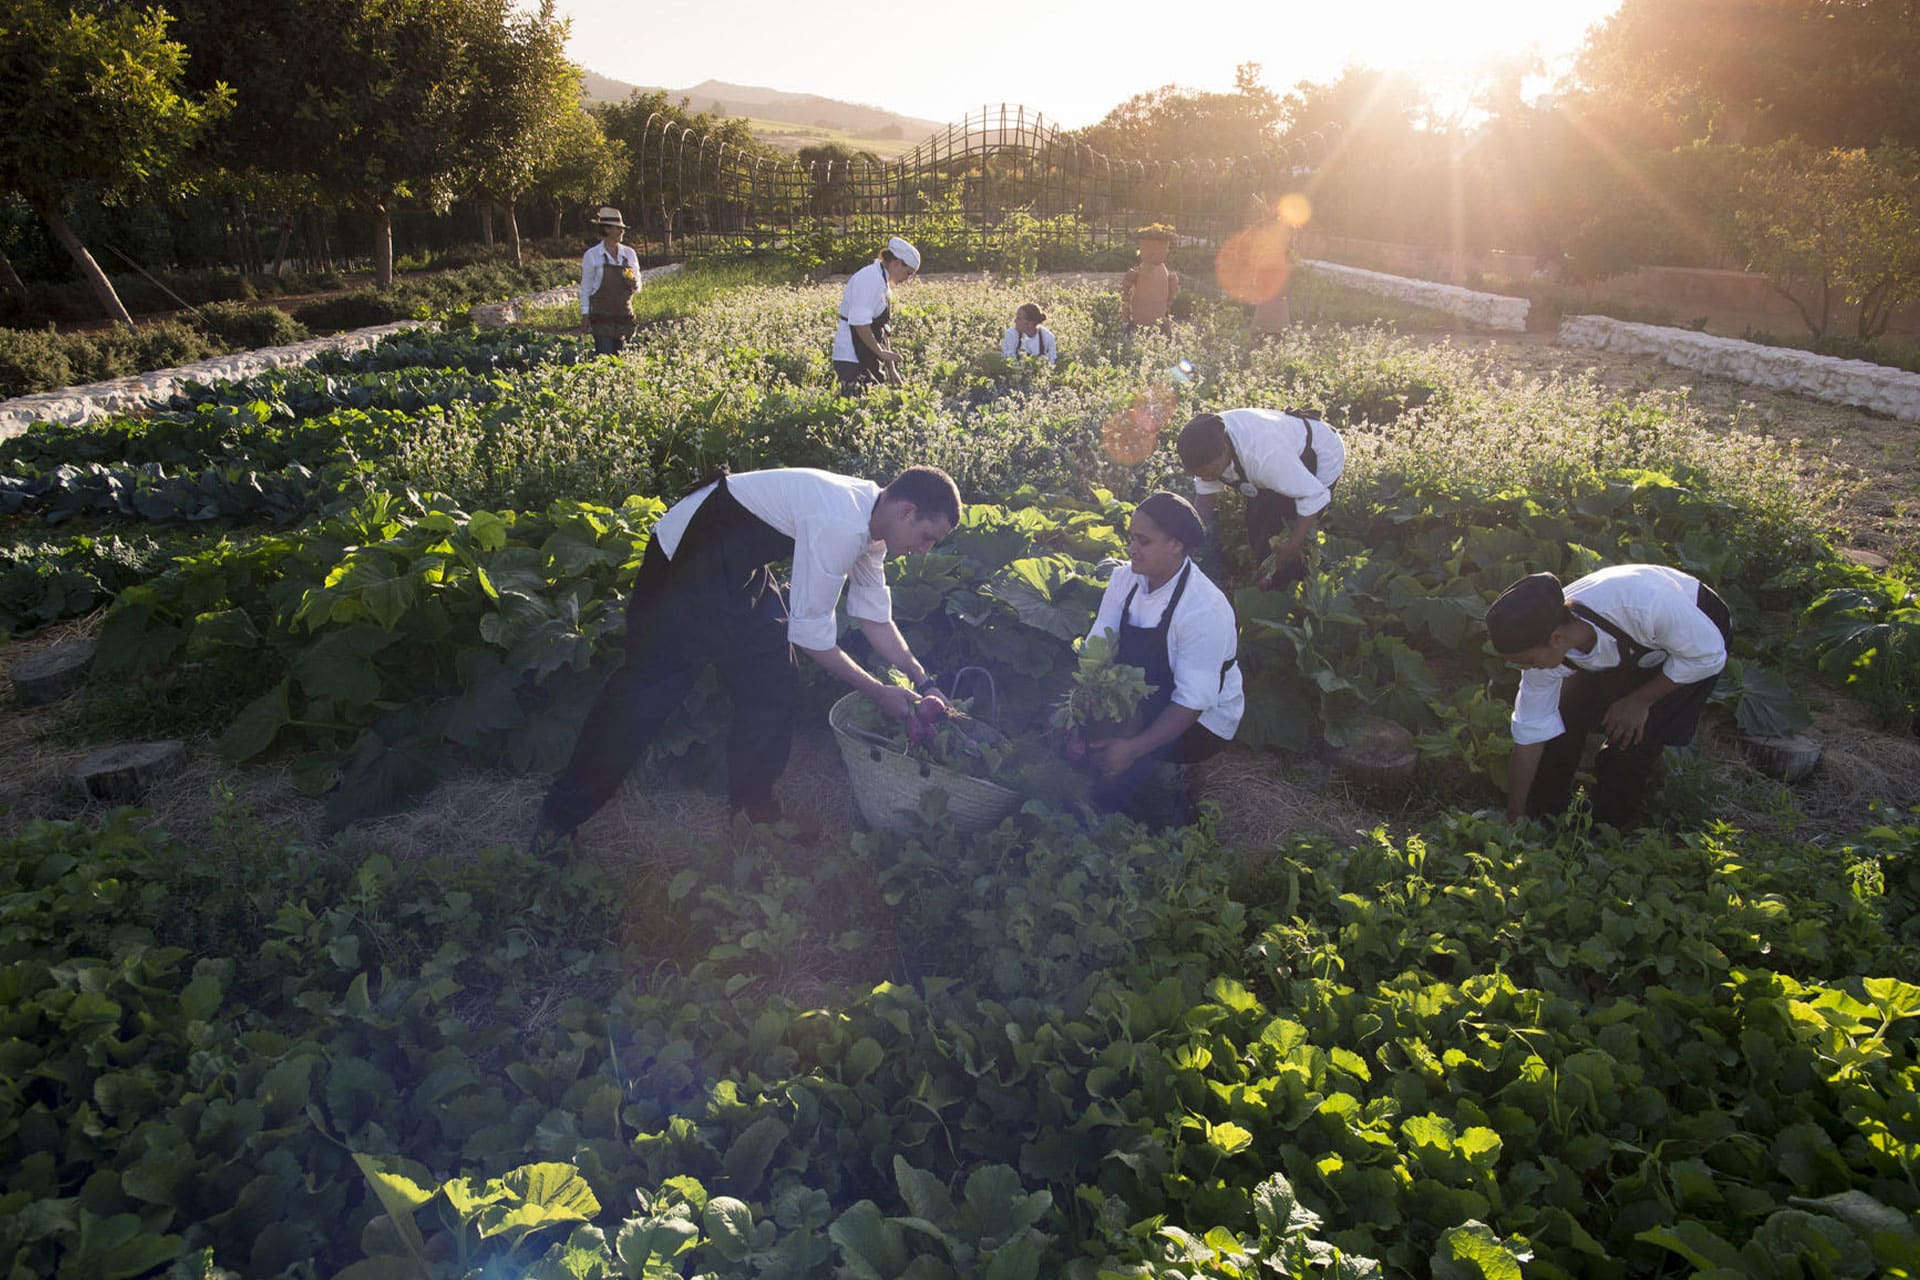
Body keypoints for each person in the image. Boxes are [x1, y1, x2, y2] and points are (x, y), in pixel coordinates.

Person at [534, 464, 962, 851]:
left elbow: (874, 618)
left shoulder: (872, 524)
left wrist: (922, 682)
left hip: (738, 566)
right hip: (685, 557)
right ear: (907, 511)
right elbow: (812, 636)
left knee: (773, 681)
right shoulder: (840, 522)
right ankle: (557, 822)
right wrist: (876, 690)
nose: (925, 550)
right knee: (646, 693)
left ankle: (754, 814)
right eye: (928, 537)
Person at [1485, 564, 1731, 830]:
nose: (1526, 669)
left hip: (1697, 634)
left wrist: (1640, 701)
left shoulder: (1644, 606)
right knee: (1562, 719)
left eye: (1528, 661)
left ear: (1556, 638)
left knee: (1632, 739)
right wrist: (1514, 814)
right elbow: (1530, 734)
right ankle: (1542, 817)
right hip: (1635, 648)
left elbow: (1709, 655)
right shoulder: (1546, 638)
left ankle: (1609, 831)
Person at [1082, 492, 1243, 826]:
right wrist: (1083, 705)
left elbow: (1191, 703)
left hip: (1199, 722)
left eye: (1144, 541)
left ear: (1176, 545)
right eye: (1130, 538)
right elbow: (1097, 646)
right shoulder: (1123, 579)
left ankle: (1164, 806)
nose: (1131, 549)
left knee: (1138, 797)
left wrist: (1132, 748)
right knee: (1086, 750)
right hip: (1141, 696)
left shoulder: (1203, 609)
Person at [1176, 407, 1347, 589]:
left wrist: (1293, 544)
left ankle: (1292, 592)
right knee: (1257, 526)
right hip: (1276, 464)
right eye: (1199, 474)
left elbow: (1313, 495)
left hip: (1317, 456)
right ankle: (1265, 577)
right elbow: (1204, 502)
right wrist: (1186, 542)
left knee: (1286, 534)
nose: (1207, 478)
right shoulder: (1203, 447)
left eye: (1210, 472)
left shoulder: (1264, 456)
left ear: (1225, 449)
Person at [832, 236, 920, 393]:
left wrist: (891, 369)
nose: (907, 279)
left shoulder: (882, 282)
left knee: (871, 403)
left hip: (865, 354)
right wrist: (880, 352)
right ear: (896, 263)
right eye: (908, 273)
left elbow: (881, 329)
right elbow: (860, 324)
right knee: (854, 408)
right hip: (851, 357)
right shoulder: (869, 279)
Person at [580, 206, 640, 356]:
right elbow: (586, 288)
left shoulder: (629, 254)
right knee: (605, 360)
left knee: (624, 361)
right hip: (602, 319)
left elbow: (638, 285)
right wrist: (585, 315)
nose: (622, 231)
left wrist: (634, 283)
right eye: (618, 228)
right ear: (606, 229)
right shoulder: (592, 255)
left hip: (624, 317)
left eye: (622, 228)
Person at [1121, 225, 1179, 336]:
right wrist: (1126, 310)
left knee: (1158, 328)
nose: (1154, 252)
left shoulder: (1163, 270)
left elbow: (1172, 292)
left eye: (1161, 247)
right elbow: (1125, 289)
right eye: (1148, 247)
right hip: (1139, 312)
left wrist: (1168, 303)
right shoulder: (1139, 271)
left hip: (1159, 311)